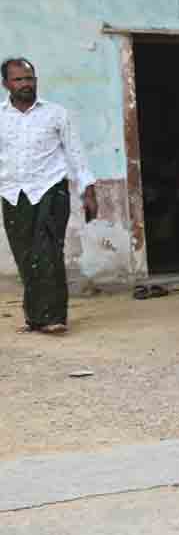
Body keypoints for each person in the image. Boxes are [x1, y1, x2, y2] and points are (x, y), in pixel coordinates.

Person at [0, 57, 98, 335]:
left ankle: (55, 316)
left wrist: (87, 190)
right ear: (6, 83)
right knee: (25, 255)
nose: (26, 84)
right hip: (12, 194)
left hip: (50, 189)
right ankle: (35, 317)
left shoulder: (56, 114)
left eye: (30, 78)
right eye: (19, 79)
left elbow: (75, 153)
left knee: (49, 252)